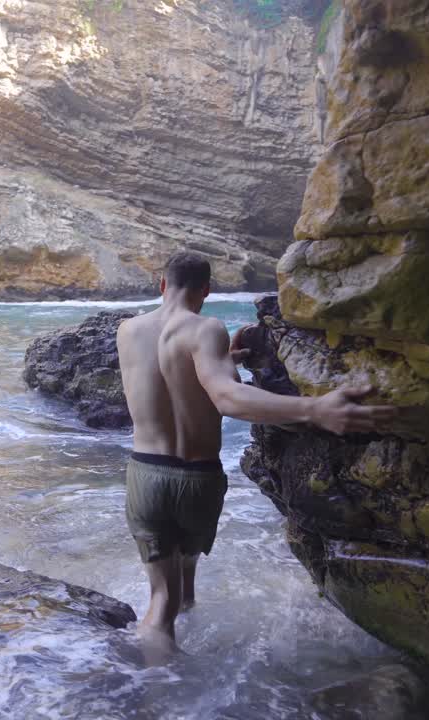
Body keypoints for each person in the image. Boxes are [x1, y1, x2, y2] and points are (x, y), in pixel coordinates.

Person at [116, 252, 397, 659]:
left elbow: (166, 378)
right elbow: (225, 398)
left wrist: (220, 362)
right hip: (197, 479)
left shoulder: (128, 331)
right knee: (187, 572)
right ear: (207, 291)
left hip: (145, 475)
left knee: (161, 603)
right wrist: (315, 408)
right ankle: (178, 677)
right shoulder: (206, 328)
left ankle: (157, 688)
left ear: (162, 285)